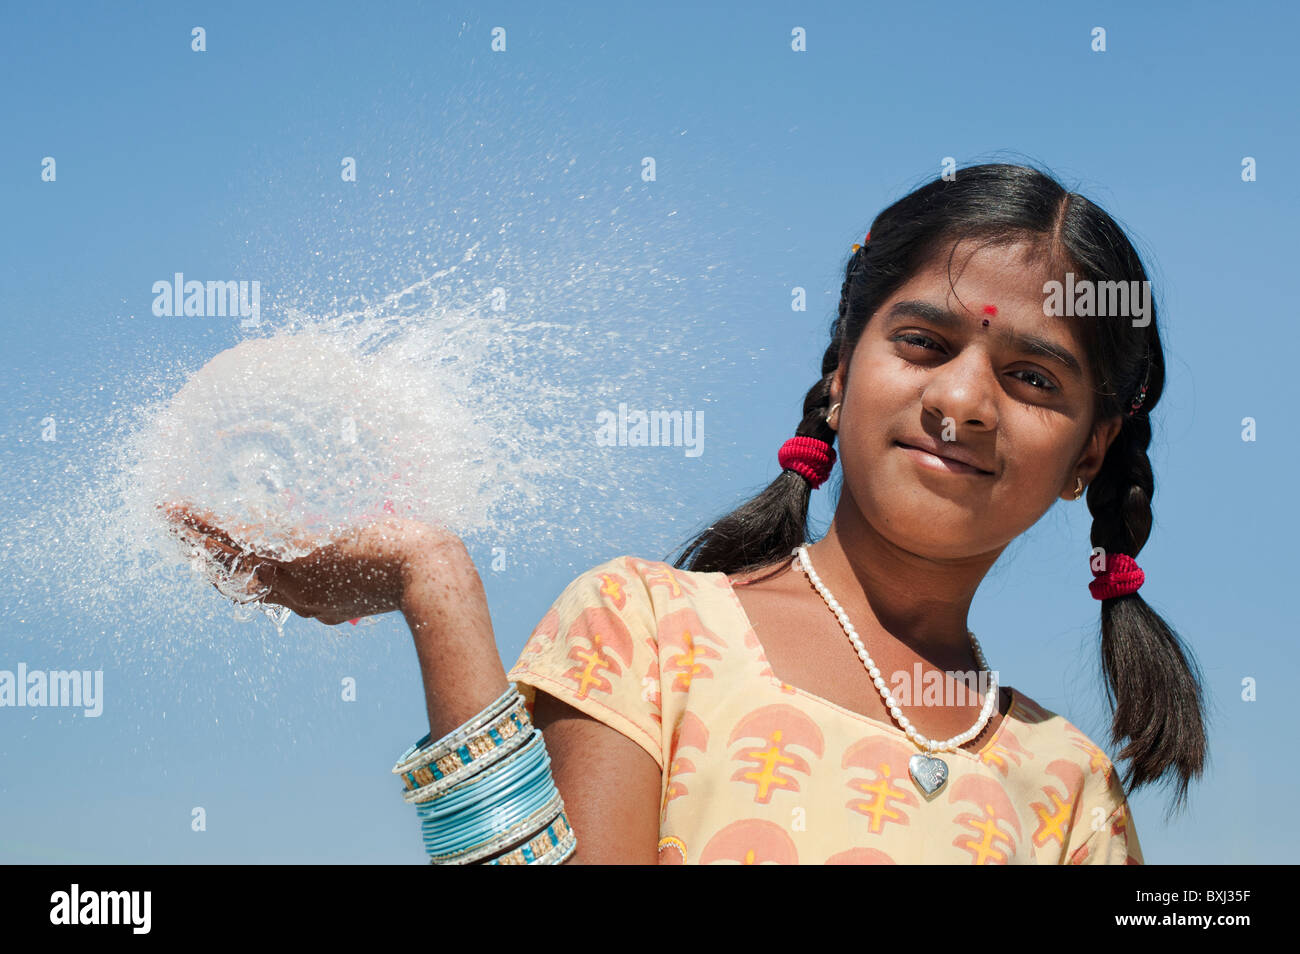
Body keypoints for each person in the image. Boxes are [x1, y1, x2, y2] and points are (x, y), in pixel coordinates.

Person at [164, 162, 1206, 865]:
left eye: (1031, 379)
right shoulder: (649, 634)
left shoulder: (1067, 793)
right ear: (840, 372)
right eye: (924, 344)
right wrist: (431, 582)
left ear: (1089, 455)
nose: (963, 402)